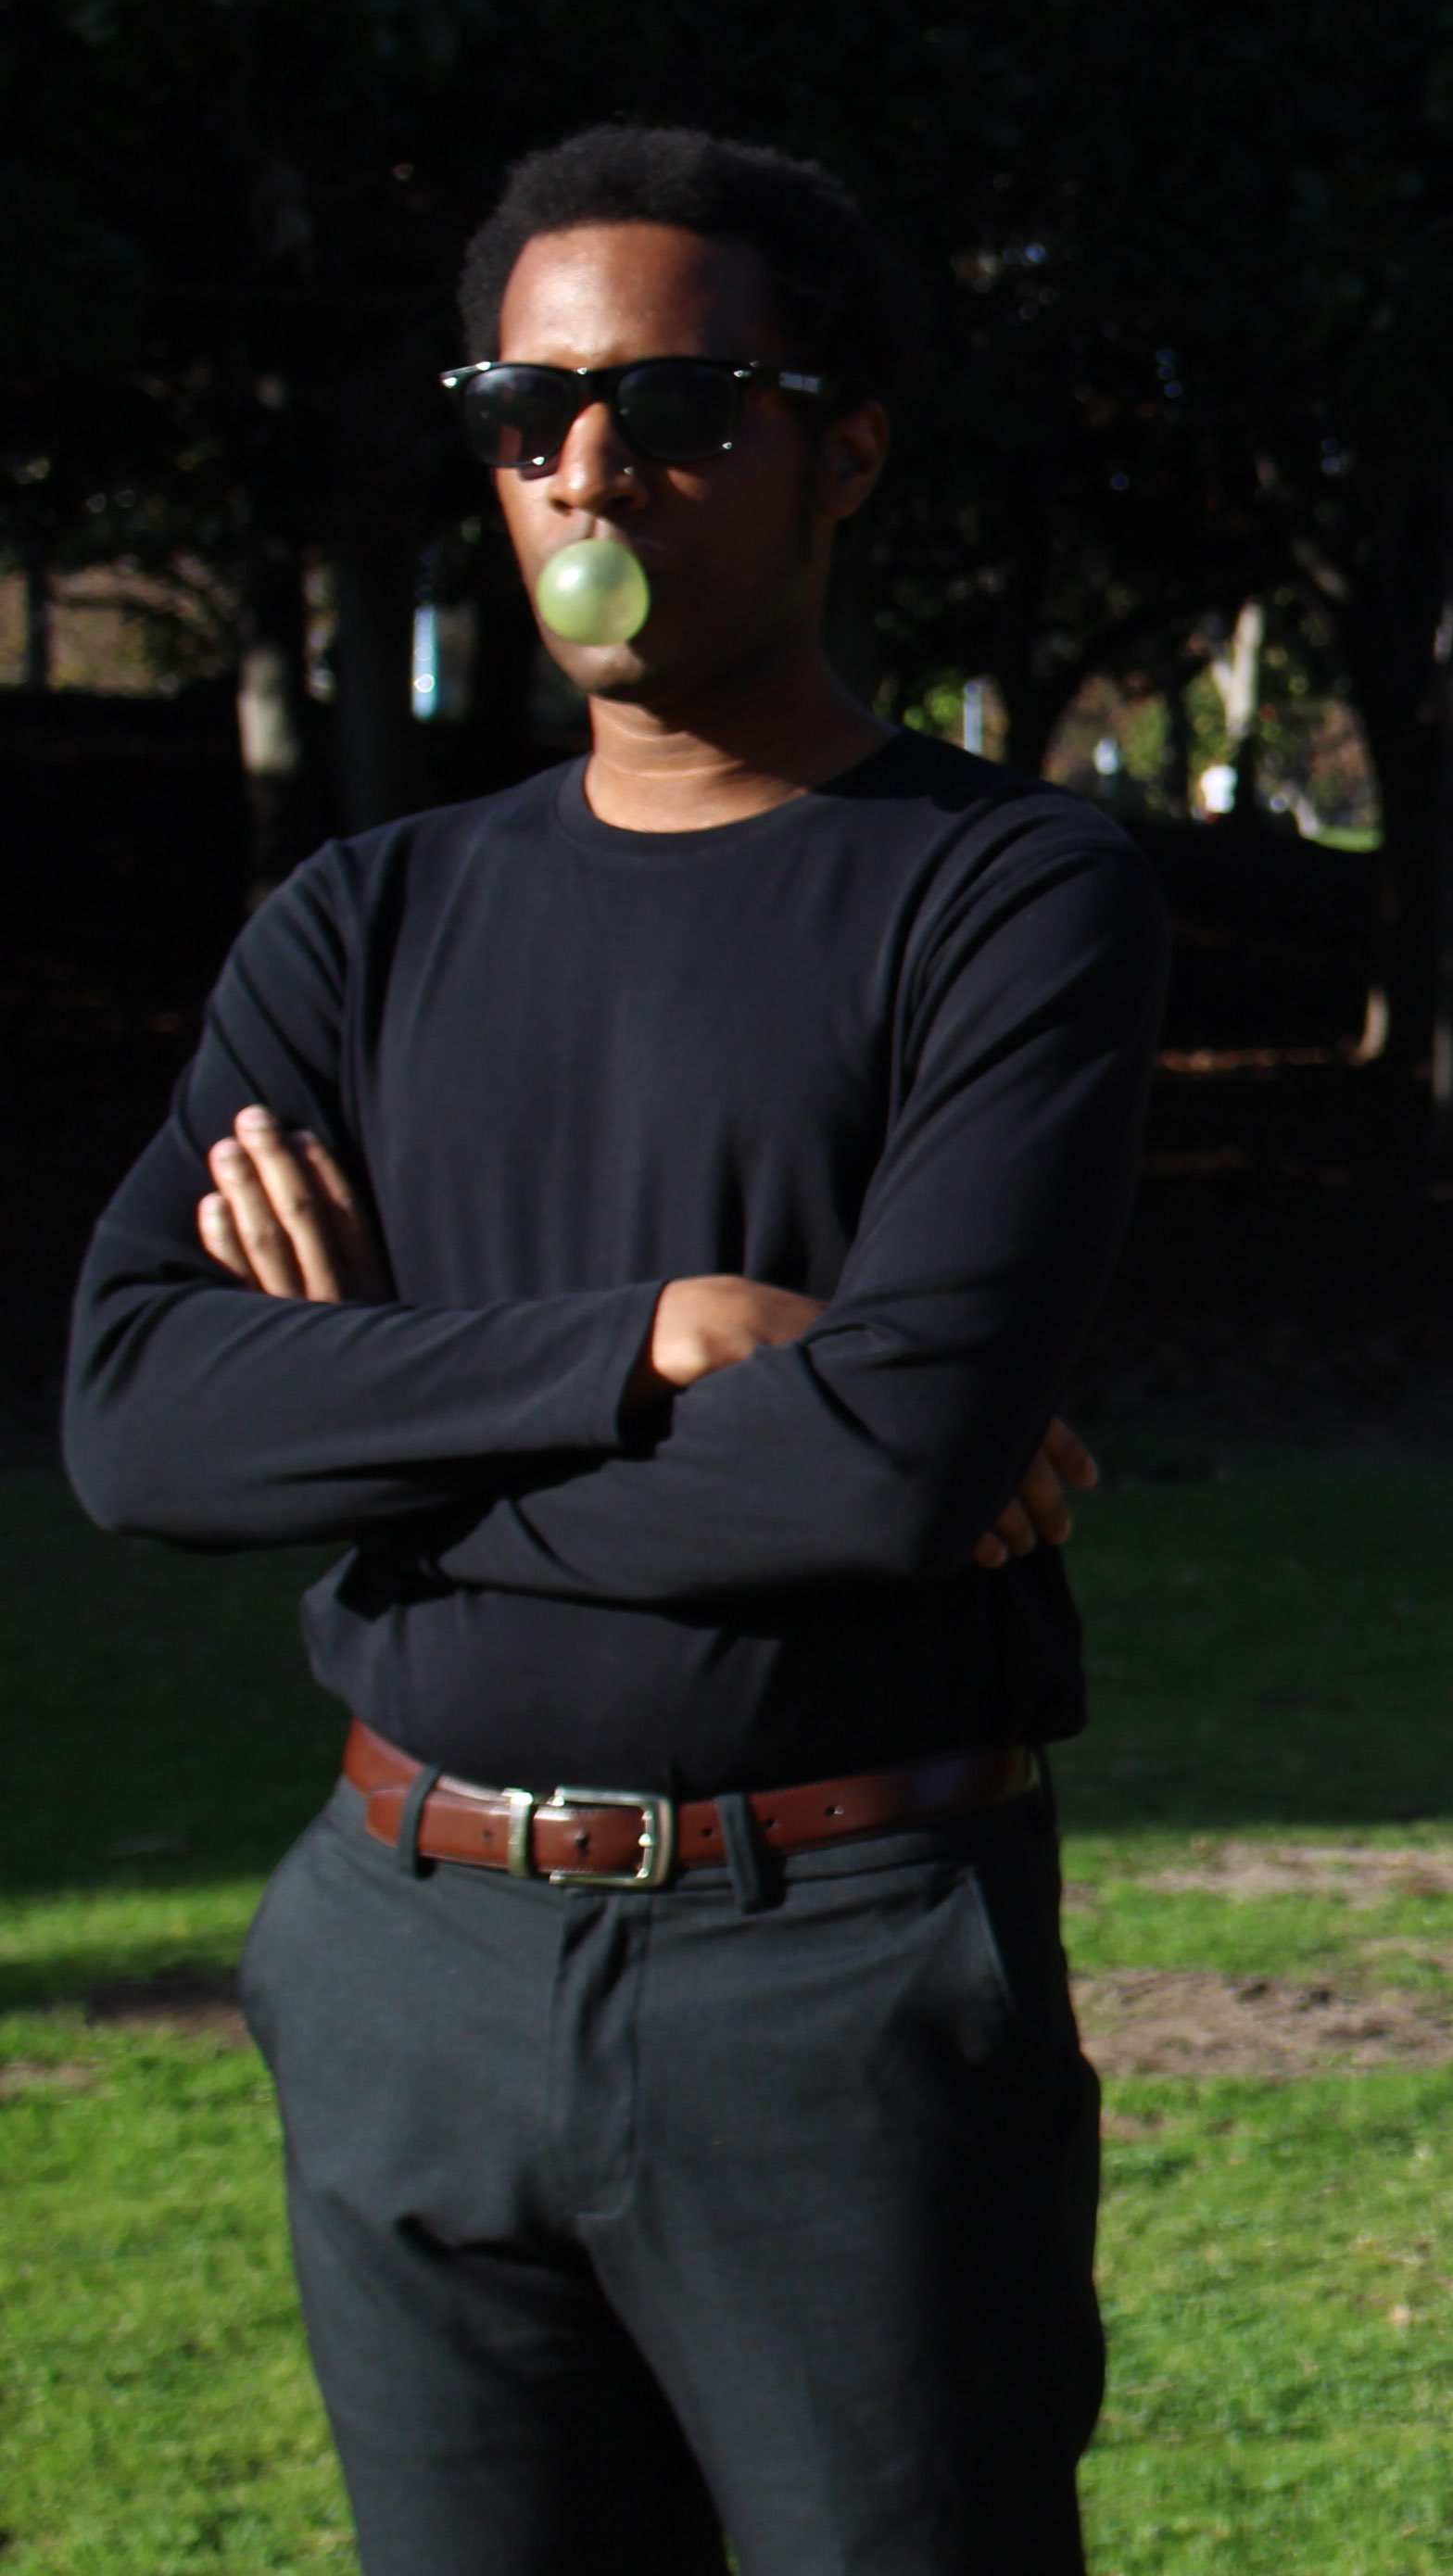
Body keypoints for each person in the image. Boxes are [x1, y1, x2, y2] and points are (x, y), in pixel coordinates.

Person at [63, 126, 1167, 2576]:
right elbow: (136, 1420)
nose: (590, 465)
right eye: (529, 407)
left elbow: (879, 1479)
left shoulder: (1008, 892)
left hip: (837, 1976)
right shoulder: (362, 920)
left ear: (841, 449)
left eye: (680, 402)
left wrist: (363, 1392)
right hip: (400, 1955)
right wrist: (650, 1345)